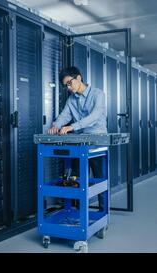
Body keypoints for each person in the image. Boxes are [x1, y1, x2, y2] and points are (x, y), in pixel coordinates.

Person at [48, 66, 107, 210]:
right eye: (66, 85)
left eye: (69, 83)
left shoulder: (98, 94)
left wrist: (72, 127)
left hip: (97, 141)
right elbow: (64, 115)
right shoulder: (71, 100)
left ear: (79, 78)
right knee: (78, 179)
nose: (68, 87)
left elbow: (94, 117)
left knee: (100, 178)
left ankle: (103, 211)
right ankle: (81, 213)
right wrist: (55, 125)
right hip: (79, 143)